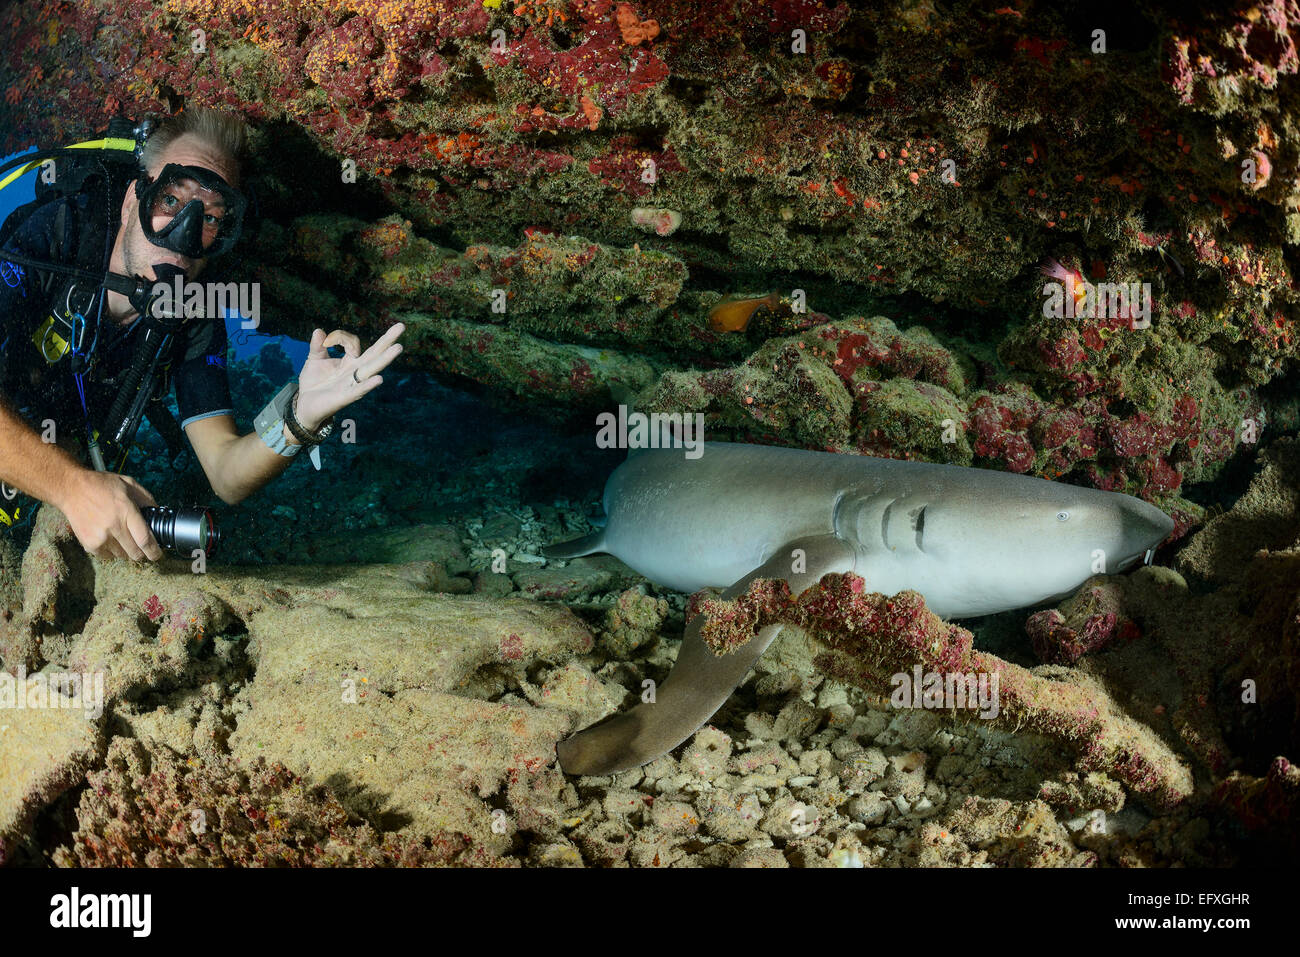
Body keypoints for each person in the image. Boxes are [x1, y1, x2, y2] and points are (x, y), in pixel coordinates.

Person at [0, 107, 405, 561]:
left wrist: (300, 418)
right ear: (134, 199)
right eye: (170, 202)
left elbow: (227, 474)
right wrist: (72, 487)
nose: (185, 237)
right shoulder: (54, 237)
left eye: (211, 218)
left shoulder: (192, 312)